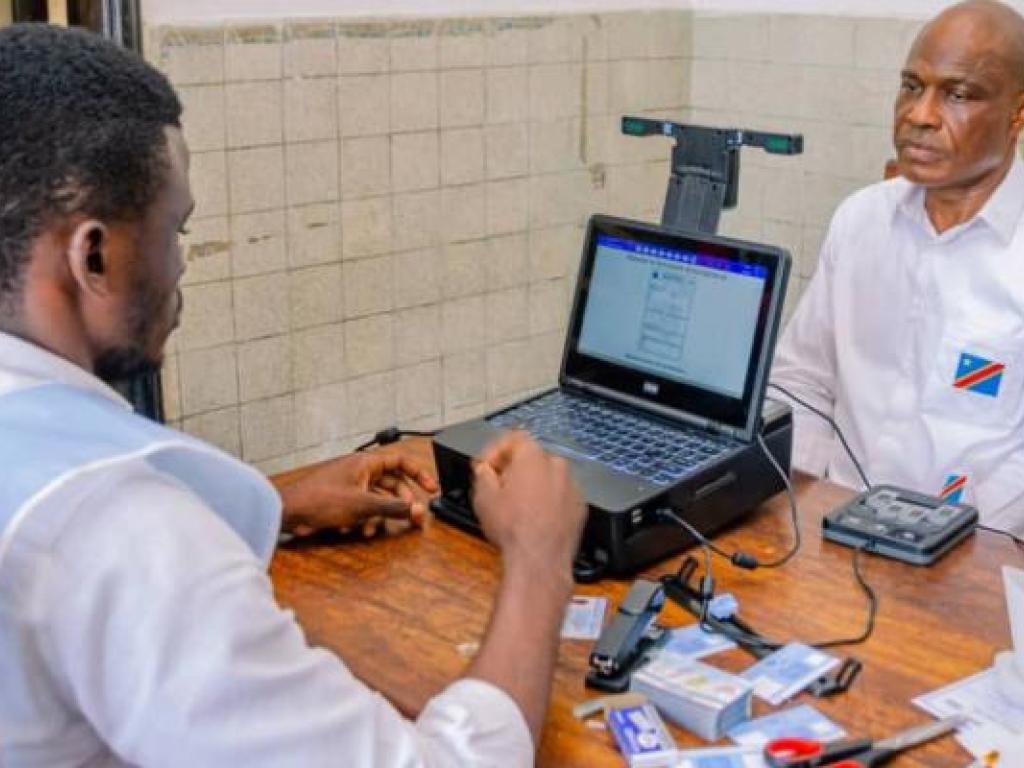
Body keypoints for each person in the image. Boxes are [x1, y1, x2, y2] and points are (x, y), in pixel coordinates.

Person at [0, 24, 587, 766]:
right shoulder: (121, 529)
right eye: (174, 230)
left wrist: (274, 505)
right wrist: (539, 563)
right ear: (93, 254)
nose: (181, 265)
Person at [772, 0, 1024, 537]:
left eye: (957, 95)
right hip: (830, 526)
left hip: (975, 552)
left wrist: (960, 543)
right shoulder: (861, 220)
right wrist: (812, 499)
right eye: (912, 86)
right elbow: (801, 381)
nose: (920, 115)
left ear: (1018, 113)